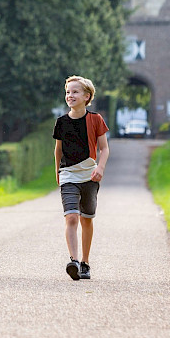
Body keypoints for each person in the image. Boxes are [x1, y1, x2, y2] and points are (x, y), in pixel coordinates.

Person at [52, 76, 109, 280]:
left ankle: (85, 262)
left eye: (75, 92)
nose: (70, 95)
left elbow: (104, 148)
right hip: (68, 175)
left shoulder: (96, 119)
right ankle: (73, 261)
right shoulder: (61, 122)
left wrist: (100, 167)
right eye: (68, 92)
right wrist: (57, 172)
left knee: (87, 219)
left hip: (90, 176)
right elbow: (58, 150)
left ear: (87, 96)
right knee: (71, 216)